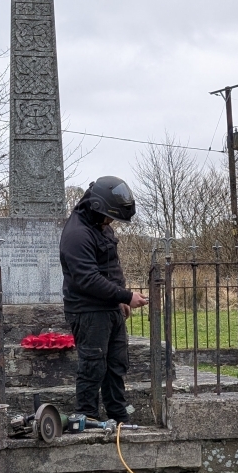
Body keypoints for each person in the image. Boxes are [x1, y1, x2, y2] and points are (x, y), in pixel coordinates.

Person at [59, 176, 149, 425]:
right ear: (97, 207)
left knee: (116, 365)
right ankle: (87, 419)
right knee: (93, 366)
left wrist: (119, 295)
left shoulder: (101, 226)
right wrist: (126, 296)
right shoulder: (77, 235)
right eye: (111, 217)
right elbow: (87, 279)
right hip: (87, 311)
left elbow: (111, 266)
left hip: (109, 308)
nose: (112, 223)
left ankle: (119, 418)